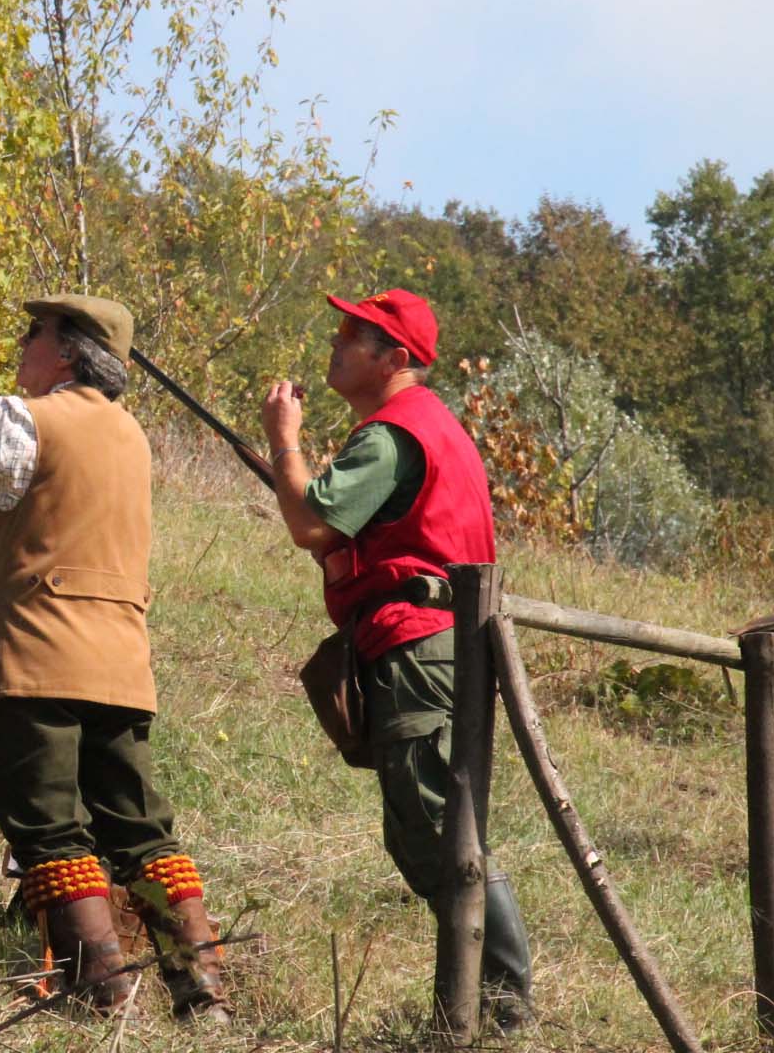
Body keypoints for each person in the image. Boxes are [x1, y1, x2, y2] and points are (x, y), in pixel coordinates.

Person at [0, 267, 229, 1020]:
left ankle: (100, 1000)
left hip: (36, 658)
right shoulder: (133, 437)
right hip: (124, 667)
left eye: (33, 335)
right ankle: (205, 995)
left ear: (66, 354)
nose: (22, 345)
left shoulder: (24, 423)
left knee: (48, 828)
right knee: (142, 832)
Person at [260, 288, 534, 1032]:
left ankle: (502, 1011)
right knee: (430, 822)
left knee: (434, 823)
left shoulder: (390, 433)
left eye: (356, 335)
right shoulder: (430, 425)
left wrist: (284, 439)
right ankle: (475, 1008)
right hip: (442, 641)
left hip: (419, 641)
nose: (338, 342)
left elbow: (308, 522)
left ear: (396, 358)